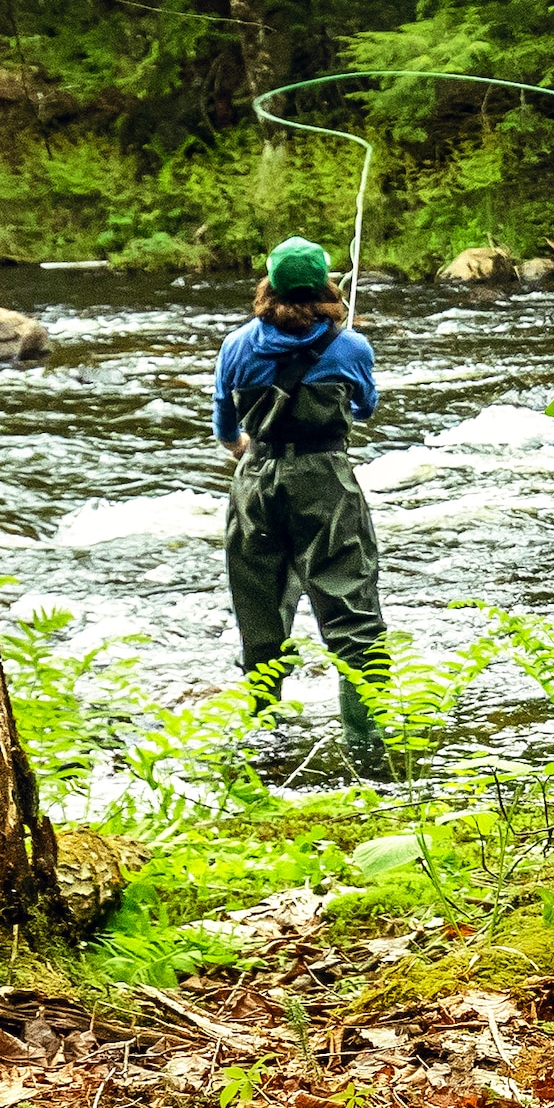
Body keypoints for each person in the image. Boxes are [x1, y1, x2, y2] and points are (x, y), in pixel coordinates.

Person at [217, 238, 389, 771]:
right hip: (324, 483)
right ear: (325, 287)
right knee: (351, 615)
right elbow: (365, 409)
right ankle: (368, 755)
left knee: (260, 614)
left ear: (266, 287)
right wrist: (343, 345)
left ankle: (265, 751)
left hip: (255, 484)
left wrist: (253, 451)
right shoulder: (350, 346)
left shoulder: (236, 345)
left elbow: (227, 429)